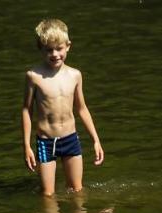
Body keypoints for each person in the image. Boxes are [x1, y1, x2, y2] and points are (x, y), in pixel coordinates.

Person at [21, 18, 104, 196]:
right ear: (40, 48)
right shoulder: (33, 76)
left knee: (77, 191)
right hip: (45, 141)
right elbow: (27, 110)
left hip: (70, 139)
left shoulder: (75, 75)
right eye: (49, 49)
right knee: (48, 195)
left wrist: (96, 140)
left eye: (59, 48)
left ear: (68, 46)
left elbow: (82, 108)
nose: (55, 54)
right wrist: (26, 145)